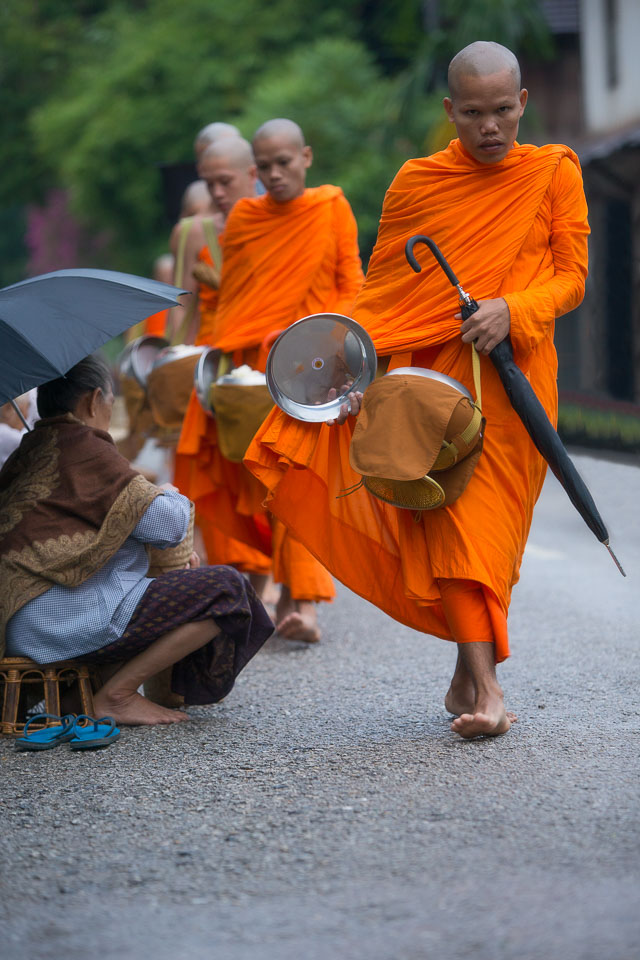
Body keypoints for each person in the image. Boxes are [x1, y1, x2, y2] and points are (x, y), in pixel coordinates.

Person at [244, 43, 589, 735]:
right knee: (456, 520)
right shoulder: (417, 182)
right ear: (449, 110)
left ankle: (468, 675)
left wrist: (512, 309)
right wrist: (334, 360)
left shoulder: (552, 172)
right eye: (471, 113)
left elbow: (573, 277)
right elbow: (385, 292)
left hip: (518, 381)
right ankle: (488, 690)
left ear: (522, 104)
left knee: (494, 536)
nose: (489, 127)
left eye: (500, 112)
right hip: (432, 386)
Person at [0, 355, 273, 726]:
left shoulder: (28, 449)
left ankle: (101, 688)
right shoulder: (84, 445)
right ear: (94, 400)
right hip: (60, 622)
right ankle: (118, 695)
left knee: (160, 580)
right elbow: (168, 526)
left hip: (17, 623)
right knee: (228, 590)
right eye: (111, 404)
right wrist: (168, 492)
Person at [189, 118, 365, 642]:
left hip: (313, 367)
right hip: (251, 371)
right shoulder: (245, 218)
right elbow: (237, 300)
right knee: (265, 484)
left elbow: (351, 281)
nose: (274, 174)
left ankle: (305, 602)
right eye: (264, 167)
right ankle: (280, 594)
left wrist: (331, 340)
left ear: (305, 157)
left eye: (282, 163)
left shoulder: (331, 207)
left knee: (299, 477)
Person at [174, 137, 272, 581]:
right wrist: (169, 366)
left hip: (261, 356)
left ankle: (271, 574)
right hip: (212, 361)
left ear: (250, 172)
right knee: (211, 467)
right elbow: (185, 304)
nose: (216, 191)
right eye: (207, 179)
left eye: (224, 179)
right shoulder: (196, 231)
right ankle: (232, 569)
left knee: (263, 464)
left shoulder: (276, 220)